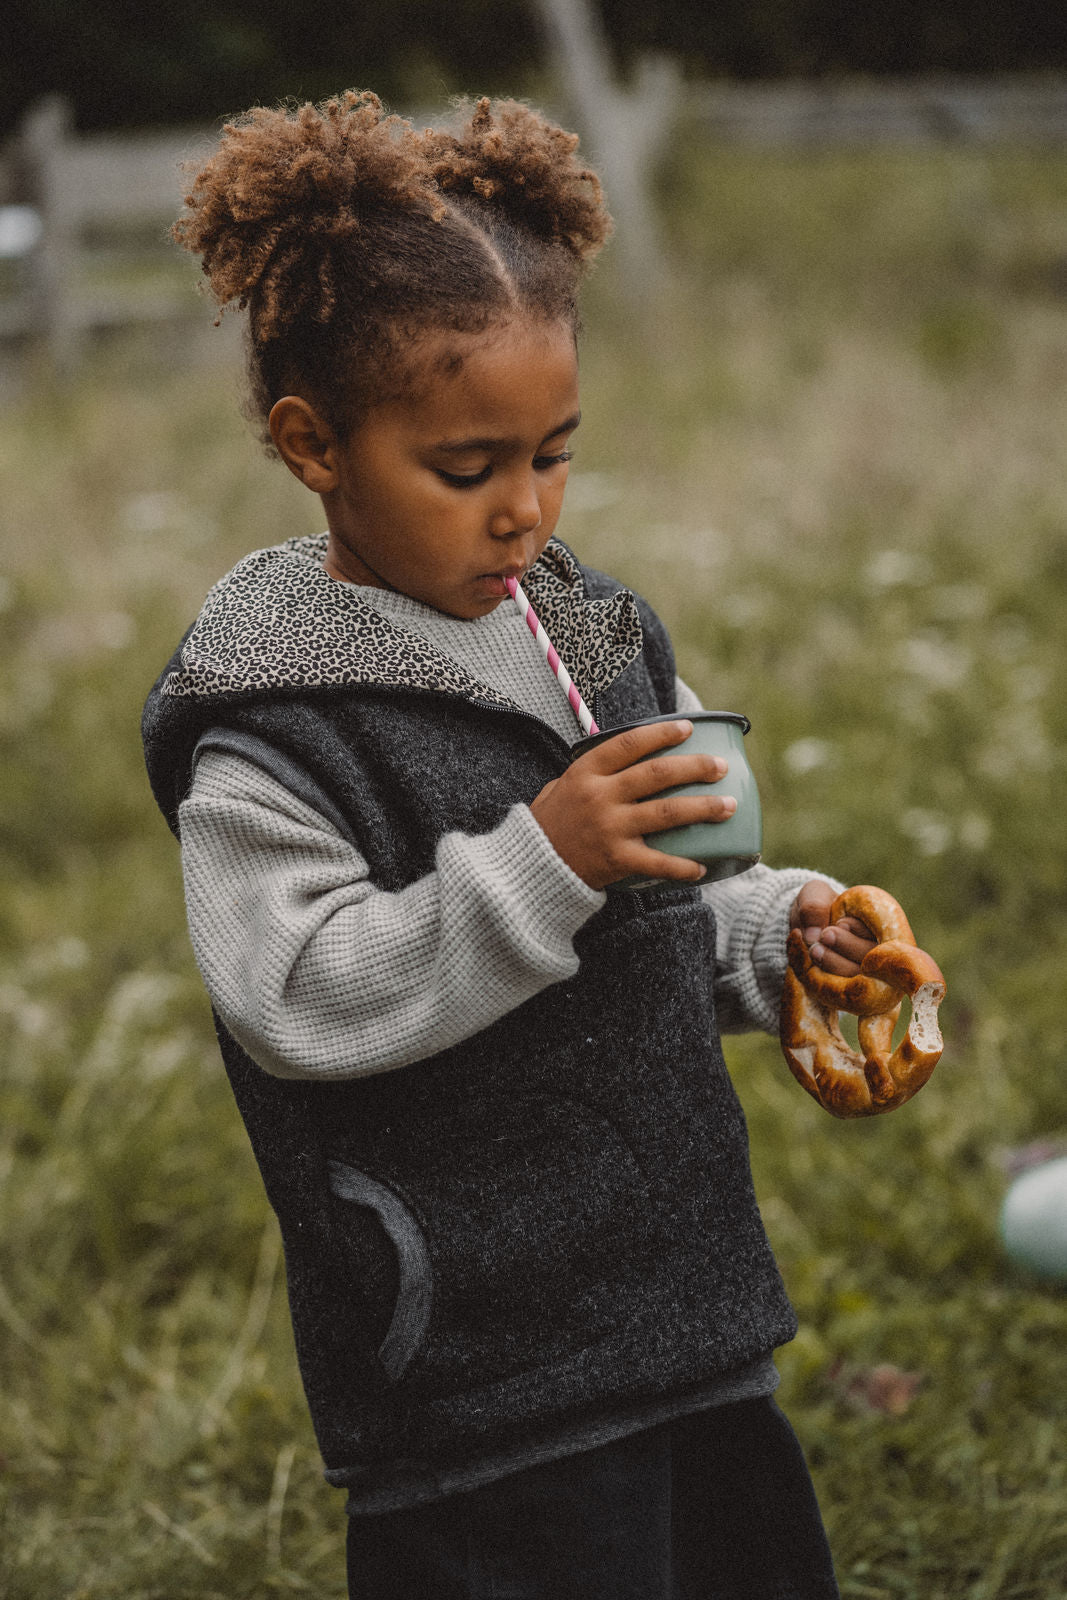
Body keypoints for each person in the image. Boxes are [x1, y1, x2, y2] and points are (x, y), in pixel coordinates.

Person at [142, 91, 880, 1599]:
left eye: (555, 454)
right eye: (468, 469)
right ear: (315, 446)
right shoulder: (272, 725)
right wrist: (546, 856)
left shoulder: (596, 636)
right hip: (476, 1372)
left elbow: (682, 895)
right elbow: (298, 994)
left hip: (681, 1310)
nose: (525, 512)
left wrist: (780, 933)